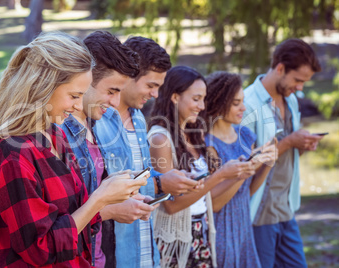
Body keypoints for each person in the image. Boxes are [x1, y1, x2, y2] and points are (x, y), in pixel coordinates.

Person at [0, 32, 148, 268]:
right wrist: (99, 199)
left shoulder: (54, 135)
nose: (78, 105)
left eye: (82, 96)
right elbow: (40, 250)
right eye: (74, 96)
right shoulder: (13, 154)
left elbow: (76, 218)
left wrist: (109, 189)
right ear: (43, 87)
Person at [93, 37, 200, 268]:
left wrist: (163, 181)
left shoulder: (140, 119)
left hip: (145, 253)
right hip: (111, 256)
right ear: (129, 75)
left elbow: (138, 177)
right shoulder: (96, 120)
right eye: (151, 85)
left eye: (159, 87)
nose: (155, 95)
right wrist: (161, 183)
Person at [148, 66, 260, 268]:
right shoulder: (160, 139)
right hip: (175, 242)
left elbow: (205, 195)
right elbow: (171, 205)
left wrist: (240, 172)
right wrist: (220, 175)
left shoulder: (193, 134)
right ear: (175, 97)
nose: (202, 106)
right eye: (196, 98)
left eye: (204, 98)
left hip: (202, 233)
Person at [60, 30, 150, 268]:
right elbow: (59, 221)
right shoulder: (57, 134)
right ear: (87, 79)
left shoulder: (98, 120)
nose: (115, 103)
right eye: (111, 91)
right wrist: (112, 209)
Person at [242, 38, 324, 267]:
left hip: (286, 209)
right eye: (298, 80)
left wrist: (302, 145)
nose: (300, 88)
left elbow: (287, 155)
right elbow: (245, 164)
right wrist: (289, 142)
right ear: (280, 68)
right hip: (259, 214)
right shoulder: (247, 104)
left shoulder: (292, 101)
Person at [203, 71, 278, 267]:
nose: (244, 108)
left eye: (243, 101)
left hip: (243, 227)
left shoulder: (245, 135)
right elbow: (215, 203)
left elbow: (248, 191)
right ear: (218, 103)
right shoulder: (208, 145)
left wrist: (267, 163)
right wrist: (244, 172)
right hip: (220, 230)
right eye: (236, 103)